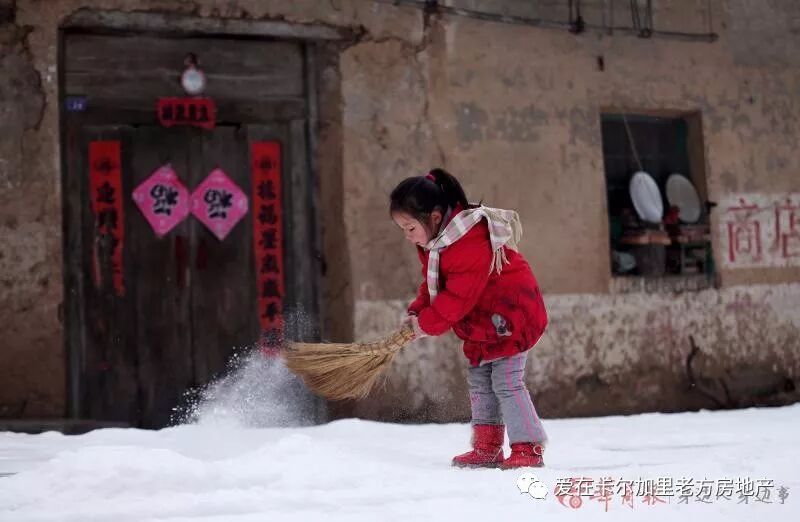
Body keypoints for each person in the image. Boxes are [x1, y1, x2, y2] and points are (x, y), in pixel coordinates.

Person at [390, 168, 549, 469]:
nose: (407, 236)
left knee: (506, 381)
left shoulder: (468, 242)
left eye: (409, 228)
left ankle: (528, 447)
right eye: (403, 229)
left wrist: (426, 324)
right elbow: (435, 286)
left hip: (511, 314)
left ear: (434, 217)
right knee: (480, 382)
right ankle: (487, 447)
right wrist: (417, 311)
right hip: (481, 322)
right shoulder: (436, 245)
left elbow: (457, 298)